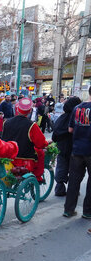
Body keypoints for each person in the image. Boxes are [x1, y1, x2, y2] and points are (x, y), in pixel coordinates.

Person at [1, 98, 48, 182]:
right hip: (25, 160)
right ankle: (38, 177)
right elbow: (41, 143)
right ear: (29, 111)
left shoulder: (6, 122)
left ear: (17, 109)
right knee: (41, 152)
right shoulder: (32, 125)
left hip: (8, 158)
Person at [63, 88, 91, 218]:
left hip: (77, 150)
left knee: (73, 180)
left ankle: (68, 210)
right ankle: (87, 211)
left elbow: (70, 129)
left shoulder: (77, 108)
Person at [52, 97, 82, 196]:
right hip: (75, 148)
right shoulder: (78, 117)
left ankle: (59, 188)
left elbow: (55, 134)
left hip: (62, 147)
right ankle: (73, 190)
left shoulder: (61, 118)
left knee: (61, 167)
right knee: (75, 169)